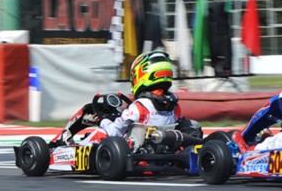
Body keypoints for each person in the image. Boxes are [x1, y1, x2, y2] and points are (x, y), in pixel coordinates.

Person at [57, 49, 202, 148]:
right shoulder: (175, 107)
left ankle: (64, 146)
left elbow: (114, 132)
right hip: (163, 148)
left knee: (100, 133)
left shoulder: (139, 107)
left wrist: (102, 120)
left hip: (134, 150)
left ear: (141, 76)